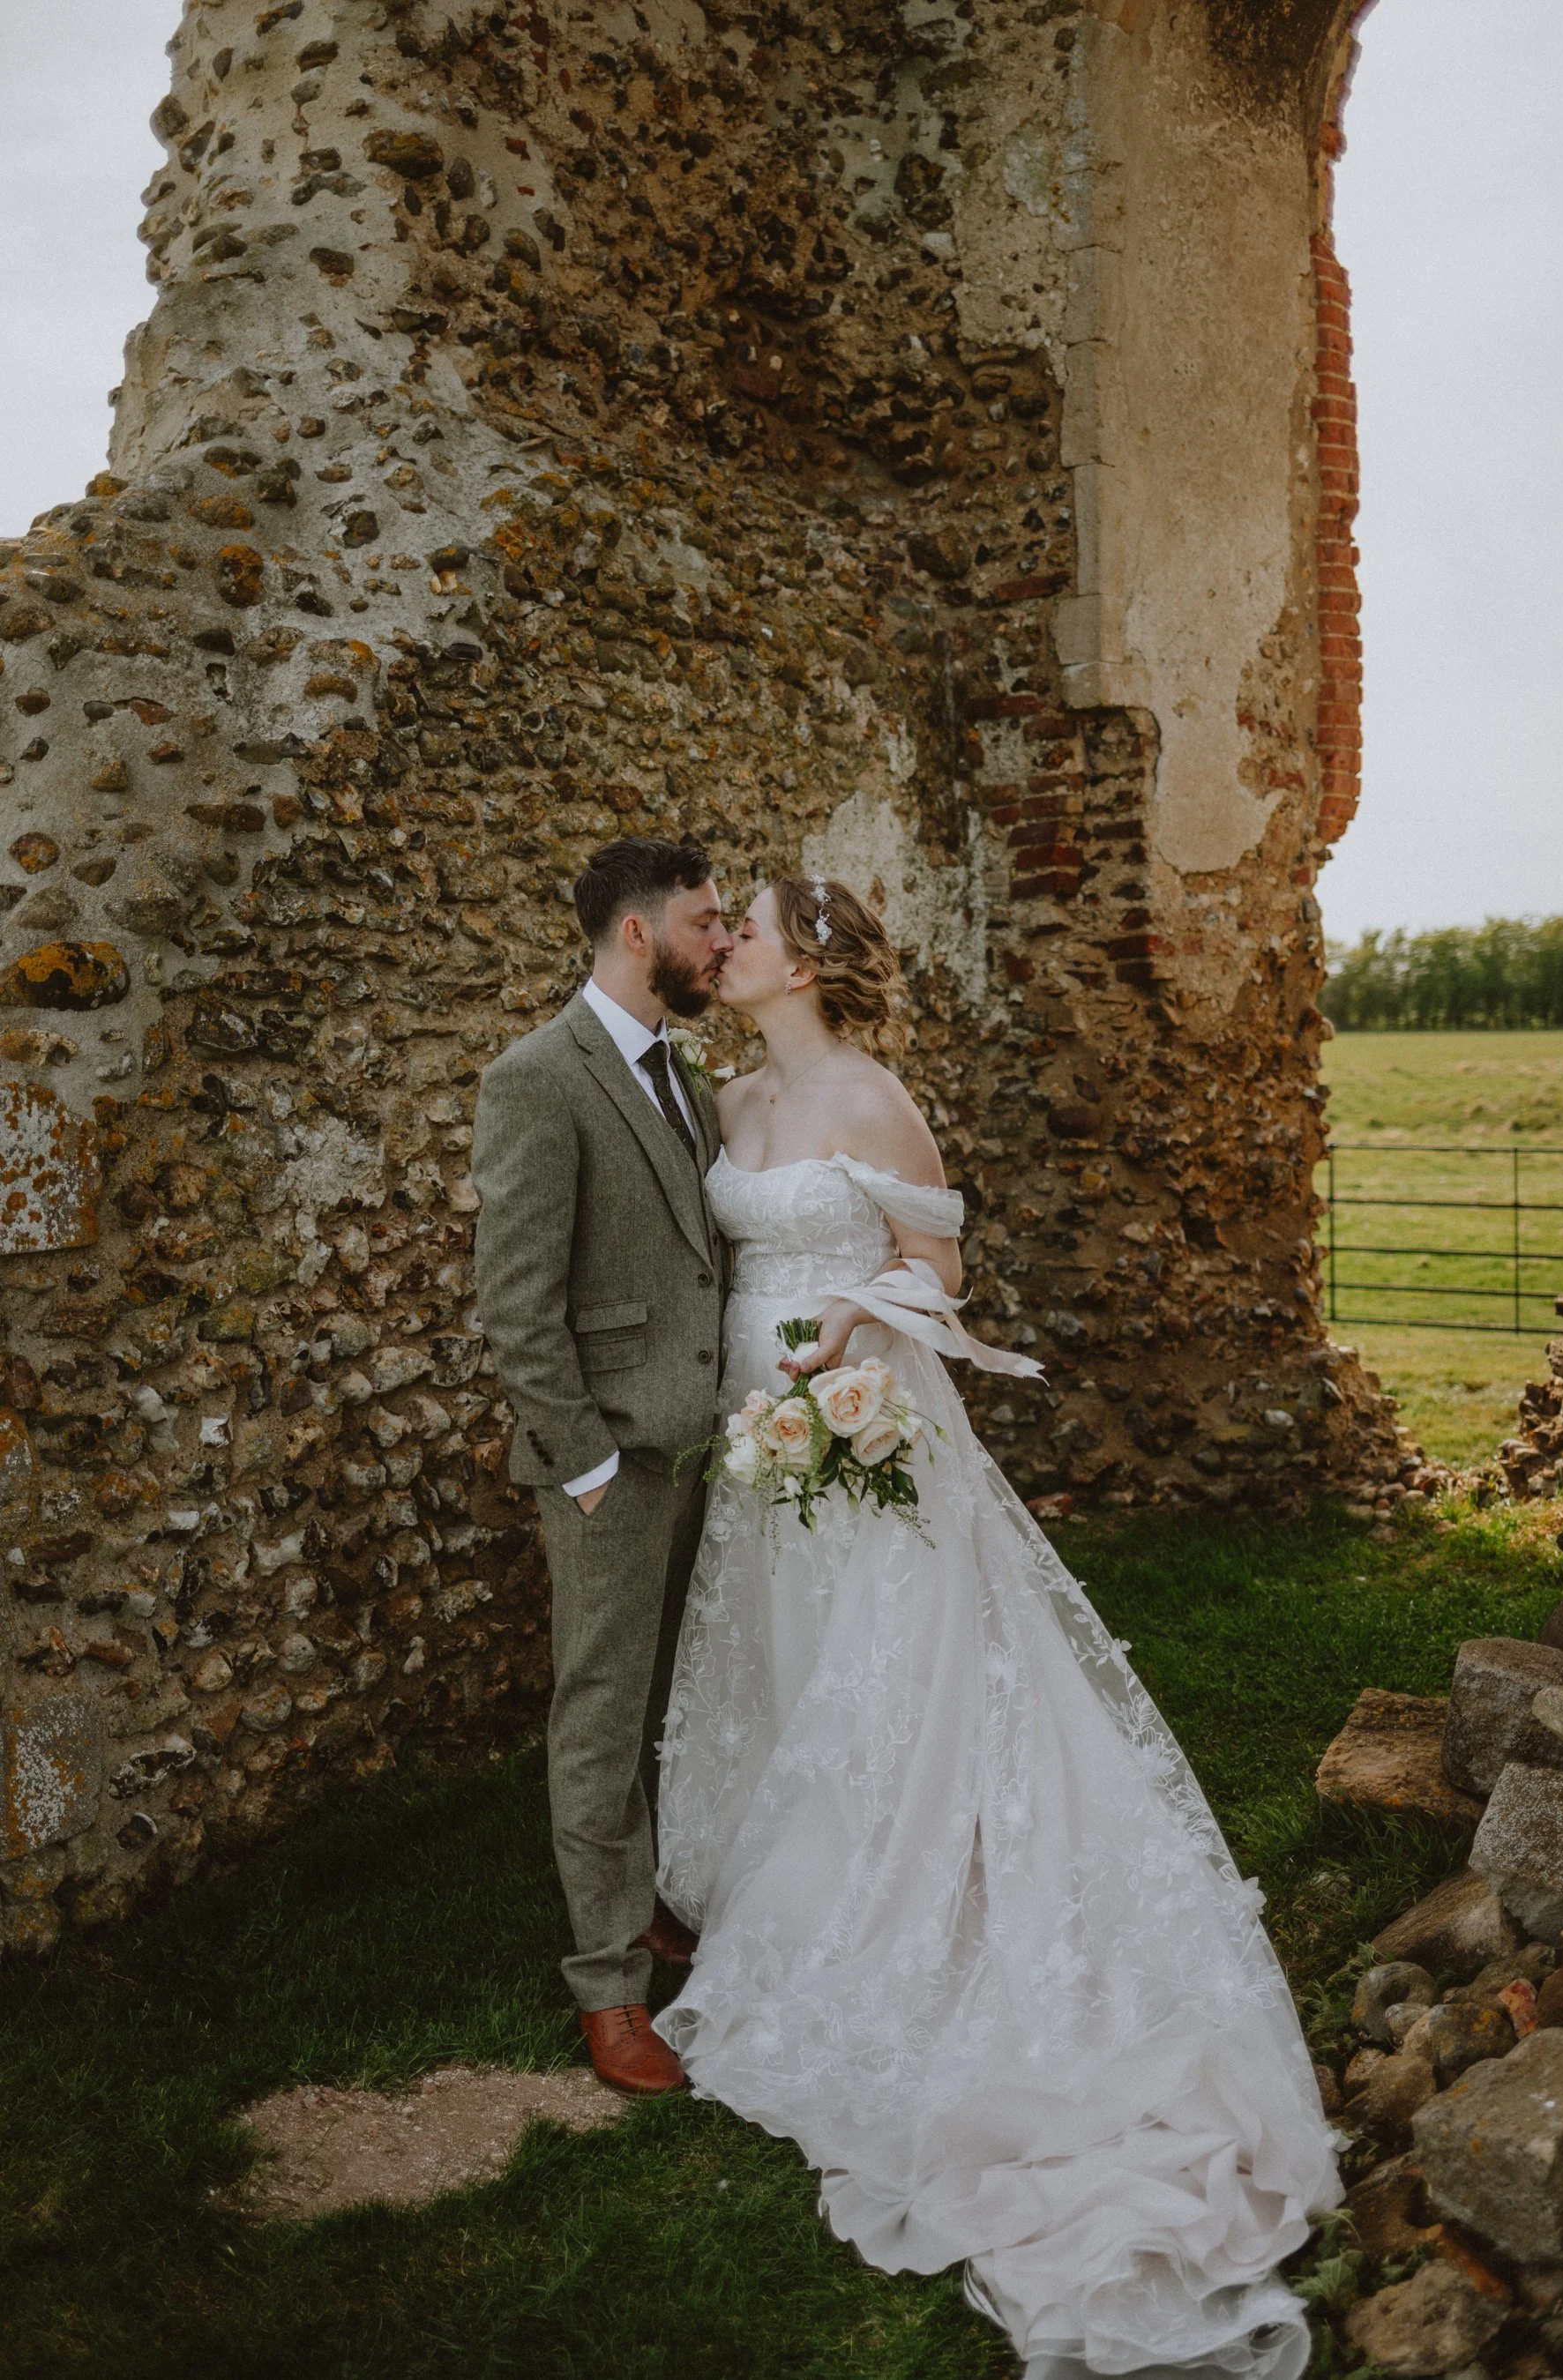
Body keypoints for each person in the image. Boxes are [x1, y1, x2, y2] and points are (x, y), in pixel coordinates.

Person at [654, 875, 1342, 2379]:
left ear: (811, 958)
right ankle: (796, 1865)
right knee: (787, 1655)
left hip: (864, 1412)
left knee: (888, 1663)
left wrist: (853, 1330)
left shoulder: (871, 1093)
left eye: (753, 926)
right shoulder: (730, 1092)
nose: (732, 944)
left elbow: (942, 1267)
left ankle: (904, 1894)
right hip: (751, 1414)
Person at [471, 837, 734, 2095]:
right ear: (640, 934)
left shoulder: (682, 1073)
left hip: (697, 1446)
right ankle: (606, 1987)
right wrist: (579, 1463)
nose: (724, 939)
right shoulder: (539, 1077)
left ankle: (639, 1905)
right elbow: (515, 1300)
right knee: (596, 1712)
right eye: (707, 918)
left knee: (656, 1700)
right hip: (610, 1462)